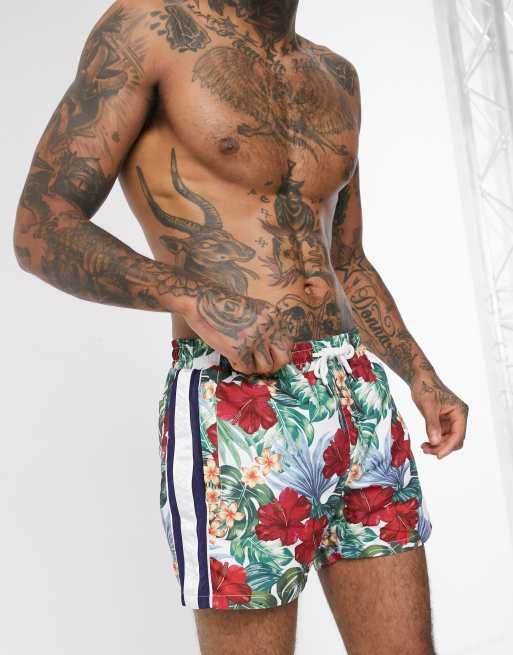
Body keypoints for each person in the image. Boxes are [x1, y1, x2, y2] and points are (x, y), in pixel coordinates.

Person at [13, 1, 468, 653]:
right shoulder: (151, 30)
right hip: (235, 398)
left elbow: (345, 260)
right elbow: (41, 225)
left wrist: (421, 376)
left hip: (356, 394)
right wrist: (196, 299)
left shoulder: (335, 74)